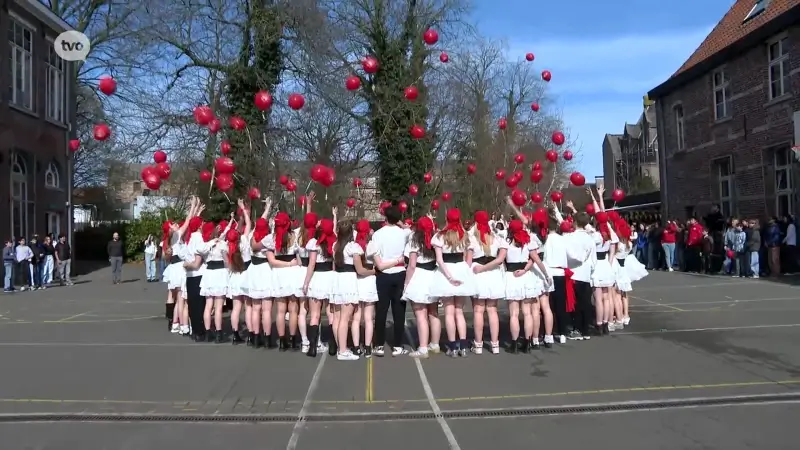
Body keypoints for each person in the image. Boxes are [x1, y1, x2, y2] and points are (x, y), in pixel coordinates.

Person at [368, 203, 412, 357]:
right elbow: (410, 230)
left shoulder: (377, 234)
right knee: (399, 311)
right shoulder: (403, 233)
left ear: (385, 217)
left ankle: (379, 345)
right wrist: (399, 222)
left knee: (381, 310)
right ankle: (398, 346)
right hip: (399, 272)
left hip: (383, 273)